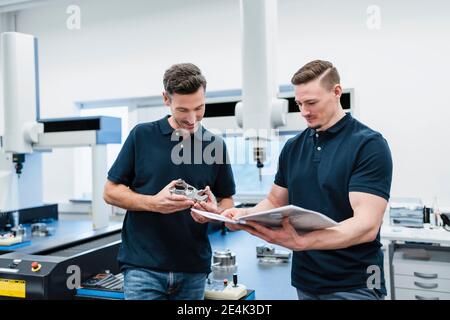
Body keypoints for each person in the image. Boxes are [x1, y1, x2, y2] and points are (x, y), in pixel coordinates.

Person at [222, 60, 393, 300]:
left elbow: (366, 226)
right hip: (306, 281)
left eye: (311, 102)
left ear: (336, 92)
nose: (303, 111)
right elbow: (274, 200)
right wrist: (243, 217)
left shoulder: (368, 145)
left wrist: (303, 242)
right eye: (299, 103)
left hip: (355, 283)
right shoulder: (293, 147)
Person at [103, 63, 235, 300]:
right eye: (183, 110)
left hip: (193, 269)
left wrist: (214, 212)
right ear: (166, 99)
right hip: (143, 268)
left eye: (199, 108)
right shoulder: (141, 136)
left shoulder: (215, 145)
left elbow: (227, 201)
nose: (192, 119)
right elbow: (110, 192)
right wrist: (153, 203)